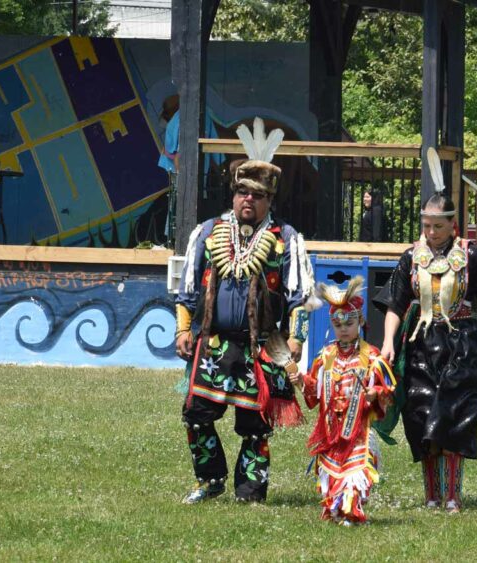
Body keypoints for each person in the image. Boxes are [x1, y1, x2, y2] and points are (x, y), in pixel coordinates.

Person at [174, 117, 317, 505]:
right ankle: (210, 479)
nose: (247, 201)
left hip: (263, 346)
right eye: (241, 193)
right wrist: (183, 329)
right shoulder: (207, 232)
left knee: (255, 425)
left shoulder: (285, 239)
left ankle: (250, 492)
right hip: (214, 342)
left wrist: (297, 337)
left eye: (256, 195)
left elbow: (300, 295)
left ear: (269, 200)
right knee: (196, 413)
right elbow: (186, 287)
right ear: (233, 195)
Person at [374, 147, 477, 514]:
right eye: (426, 226)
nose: (431, 233)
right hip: (420, 343)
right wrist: (387, 344)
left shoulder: (470, 257)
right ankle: (431, 494)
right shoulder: (410, 256)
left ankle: (453, 496)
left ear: (452, 225)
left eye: (438, 226)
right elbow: (395, 304)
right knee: (421, 416)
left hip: (461, 343)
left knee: (455, 418)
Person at [289, 276, 395, 526]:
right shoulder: (325, 356)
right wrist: (300, 381)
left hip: (358, 431)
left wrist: (375, 393)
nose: (343, 328)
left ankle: (352, 509)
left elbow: (388, 389)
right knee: (333, 475)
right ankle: (337, 509)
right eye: (337, 323)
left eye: (349, 322)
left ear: (361, 321)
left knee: (356, 474)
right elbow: (314, 390)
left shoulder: (372, 357)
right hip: (331, 430)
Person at [157, 94, 180, 247]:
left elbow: (178, 156)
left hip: (179, 174)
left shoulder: (179, 120)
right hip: (178, 174)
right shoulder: (177, 121)